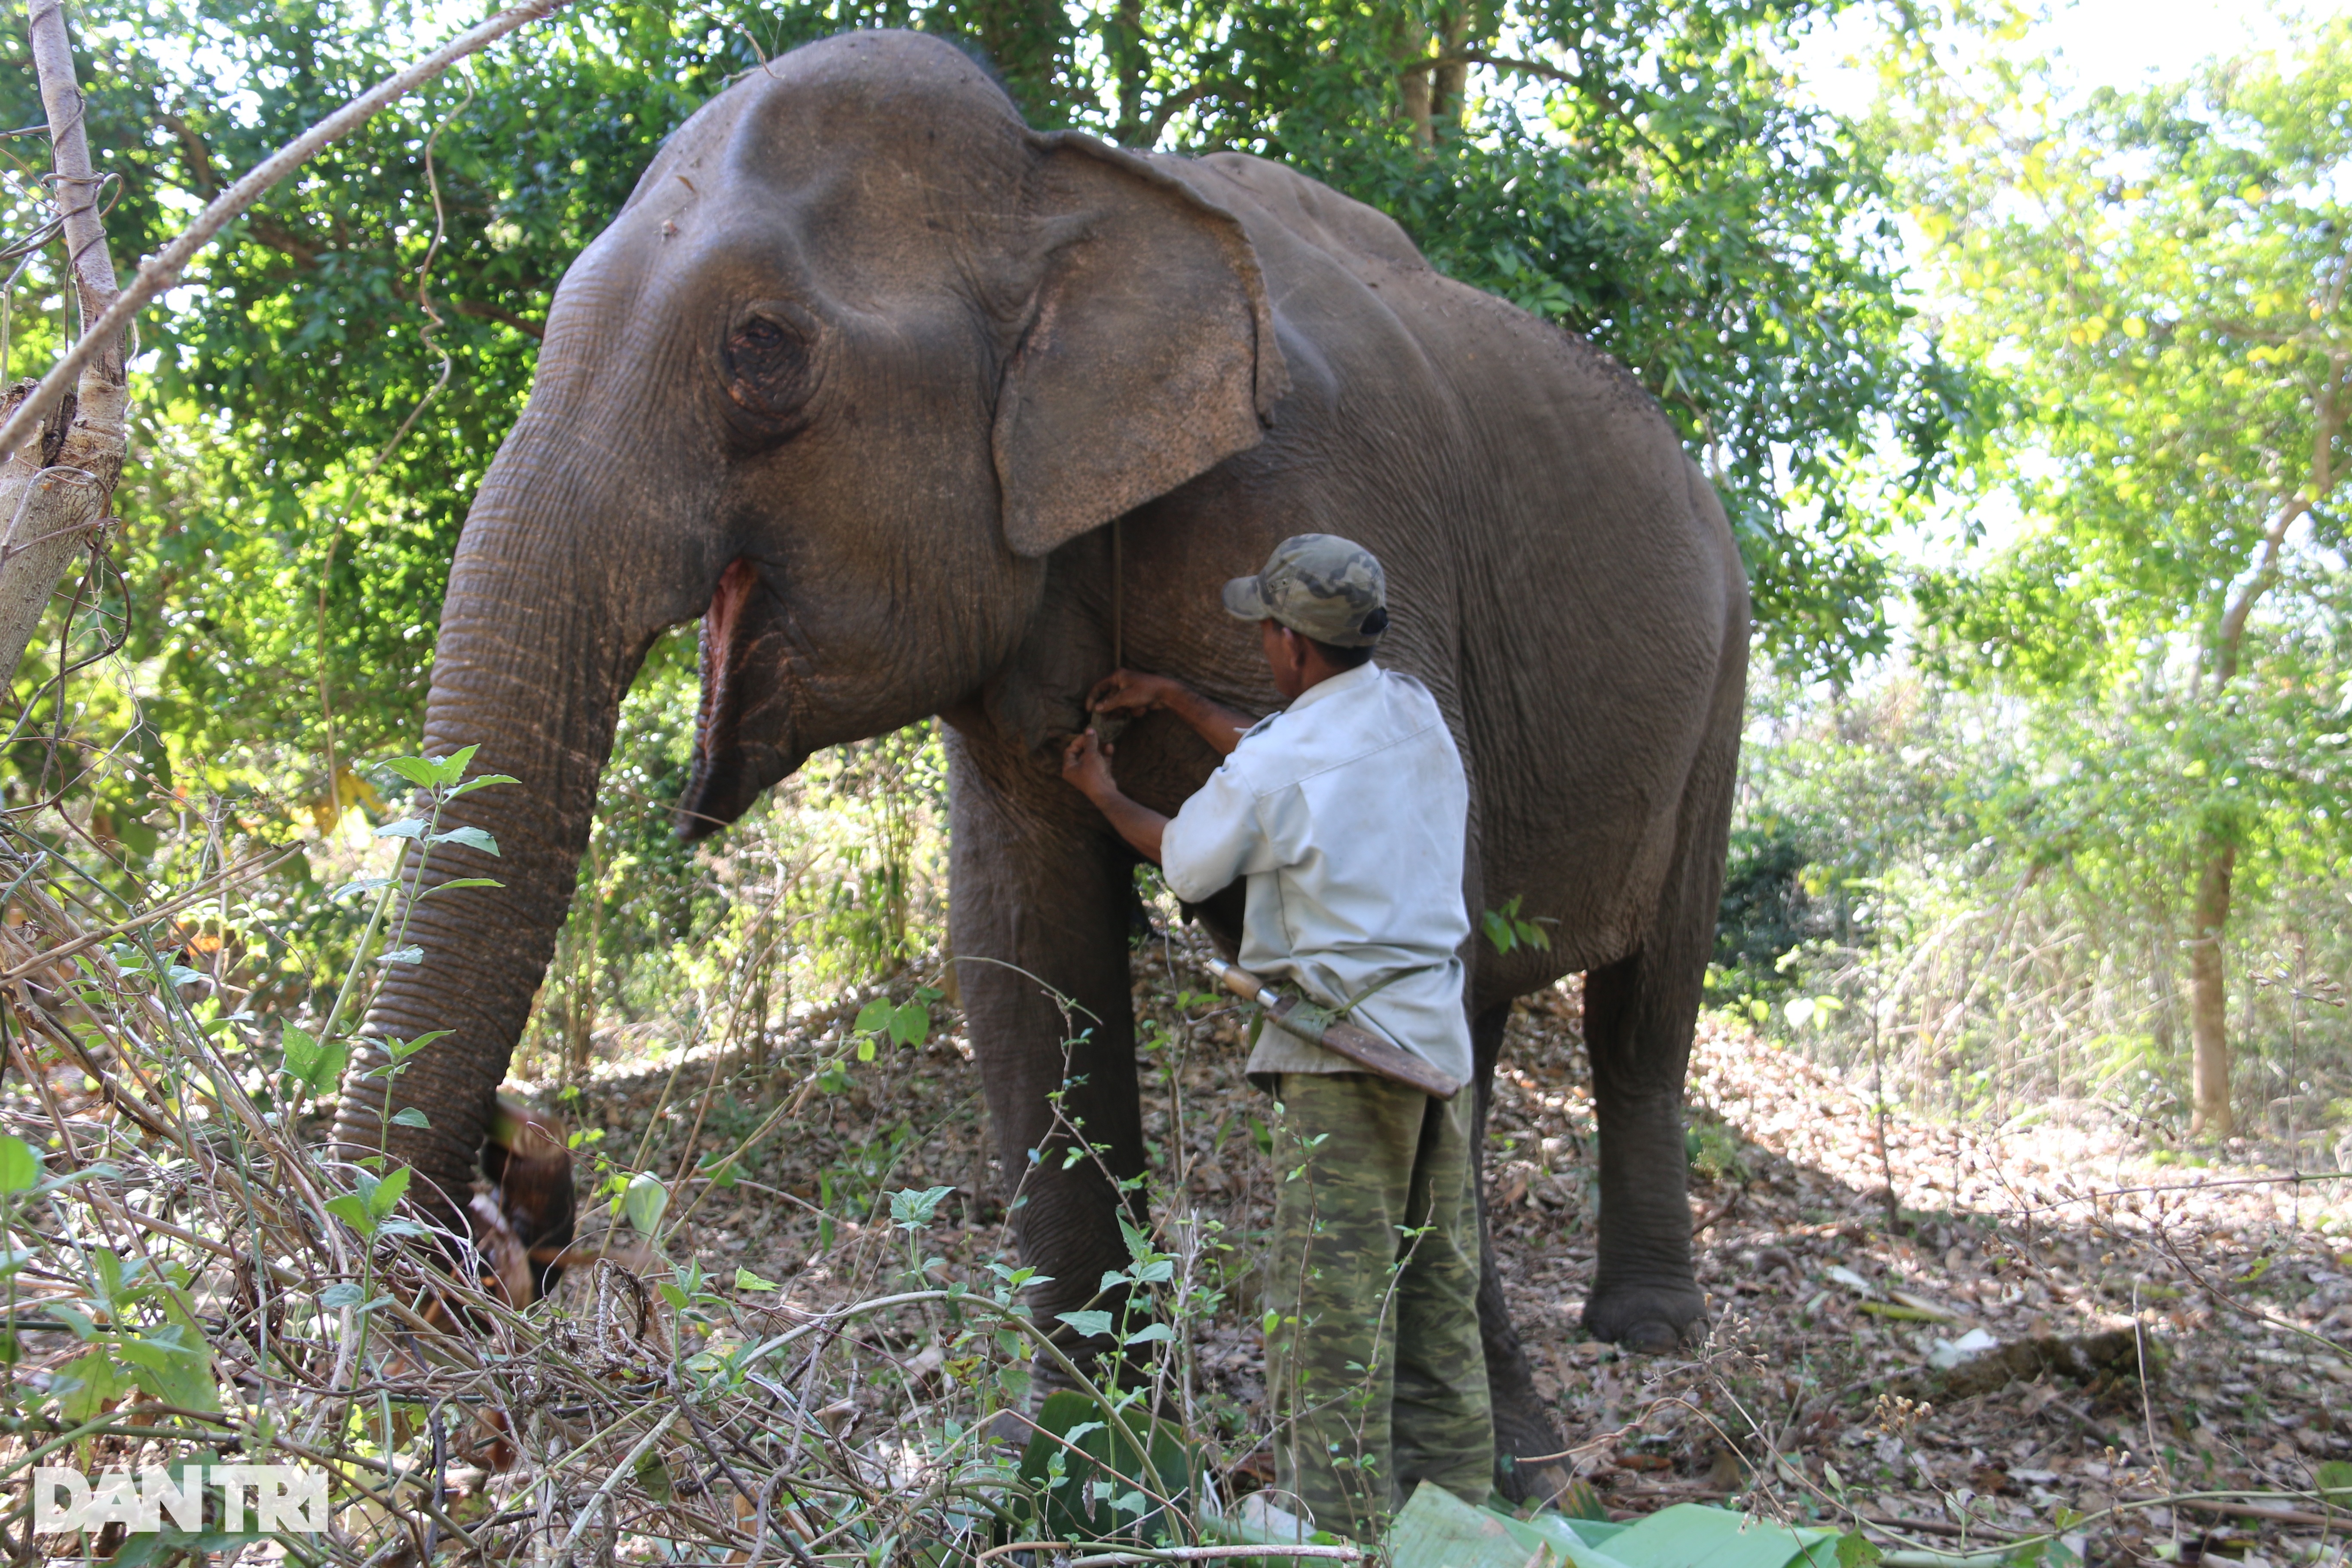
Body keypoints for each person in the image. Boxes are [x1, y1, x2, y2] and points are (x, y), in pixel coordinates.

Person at [1059, 534, 1490, 1539]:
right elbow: (1281, 757)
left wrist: (1102, 792)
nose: (1261, 644)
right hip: (1439, 1047)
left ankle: (1336, 1540)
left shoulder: (1284, 762)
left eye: (1267, 628)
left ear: (1292, 644)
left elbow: (1194, 859)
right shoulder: (1413, 711)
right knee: (1435, 1307)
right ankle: (1462, 1528)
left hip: (1346, 1059)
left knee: (1330, 1319)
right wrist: (1171, 698)